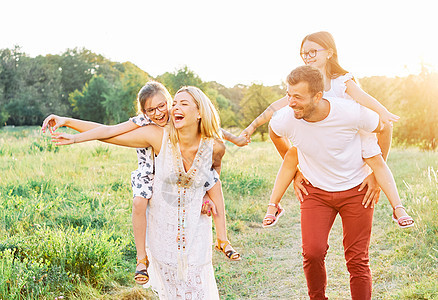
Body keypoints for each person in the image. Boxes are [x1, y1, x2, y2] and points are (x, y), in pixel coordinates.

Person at [43, 83, 242, 292]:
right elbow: (108, 132)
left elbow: (213, 169)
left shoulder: (213, 145)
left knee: (198, 281)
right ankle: (141, 259)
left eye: (178, 104)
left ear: (199, 112)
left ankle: (223, 240)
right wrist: (70, 128)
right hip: (158, 198)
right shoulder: (153, 132)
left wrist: (205, 195)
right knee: (140, 205)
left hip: (193, 221)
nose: (170, 109)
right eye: (175, 104)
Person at [241, 31, 413, 229]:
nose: (308, 57)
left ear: (329, 52)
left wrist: (382, 111)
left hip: (350, 130)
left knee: (376, 160)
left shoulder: (340, 80)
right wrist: (253, 125)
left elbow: (363, 97)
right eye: (304, 53)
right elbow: (277, 106)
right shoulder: (304, 84)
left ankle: (398, 207)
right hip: (317, 133)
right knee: (291, 156)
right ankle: (273, 205)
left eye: (313, 51)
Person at [269, 65, 397, 299]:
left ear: (318, 96)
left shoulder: (350, 111)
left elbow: (385, 126)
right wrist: (296, 171)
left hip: (357, 189)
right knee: (312, 252)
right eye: (288, 95)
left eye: (297, 97)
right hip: (316, 192)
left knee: (357, 258)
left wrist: (375, 176)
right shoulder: (287, 117)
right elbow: (274, 132)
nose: (290, 102)